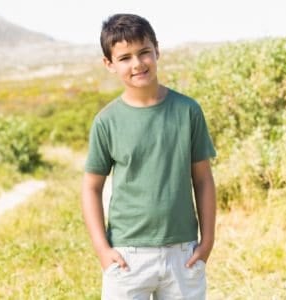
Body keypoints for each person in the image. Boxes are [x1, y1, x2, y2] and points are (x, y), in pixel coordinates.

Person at [81, 13, 217, 300]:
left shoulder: (187, 111)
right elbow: (91, 188)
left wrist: (207, 243)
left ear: (157, 50)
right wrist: (102, 250)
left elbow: (203, 179)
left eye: (144, 52)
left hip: (183, 253)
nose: (138, 64)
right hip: (127, 256)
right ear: (109, 64)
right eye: (125, 57)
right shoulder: (107, 121)